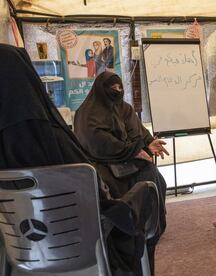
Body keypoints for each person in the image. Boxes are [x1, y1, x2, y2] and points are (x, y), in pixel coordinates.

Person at [0, 44, 156, 275]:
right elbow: (87, 180)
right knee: (146, 188)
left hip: (22, 252)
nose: (117, 89)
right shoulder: (48, 133)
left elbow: (136, 132)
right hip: (82, 242)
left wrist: (140, 145)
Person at [74, 71, 169, 275]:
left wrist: (148, 142)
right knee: (119, 221)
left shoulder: (124, 108)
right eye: (113, 88)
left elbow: (139, 134)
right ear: (100, 89)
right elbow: (96, 142)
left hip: (134, 166)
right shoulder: (87, 113)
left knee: (155, 181)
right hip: (104, 169)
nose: (117, 92)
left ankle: (149, 234)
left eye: (120, 88)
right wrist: (132, 150)